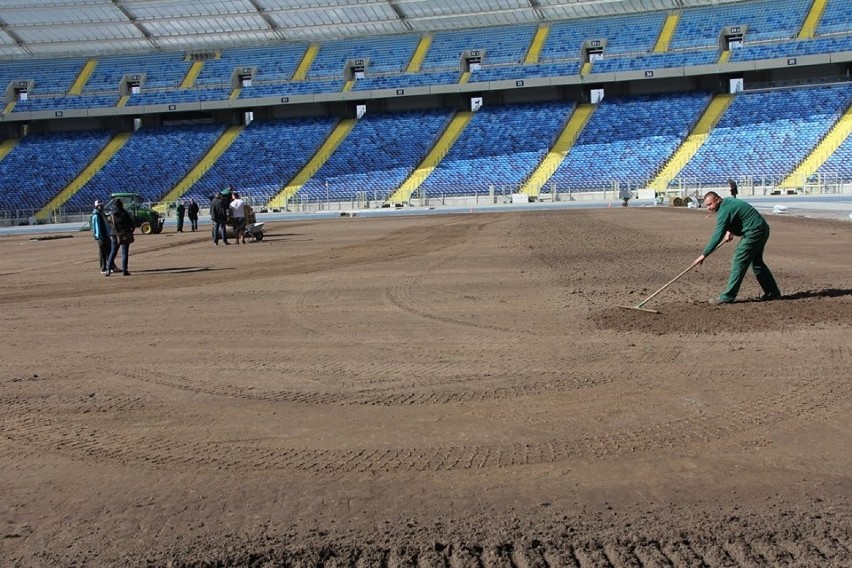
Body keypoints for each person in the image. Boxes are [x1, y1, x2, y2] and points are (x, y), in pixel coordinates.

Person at [692, 191, 781, 305]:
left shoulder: (724, 210)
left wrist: (704, 254)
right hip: (762, 229)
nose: (709, 208)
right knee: (757, 263)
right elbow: (736, 215)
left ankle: (728, 296)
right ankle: (772, 292)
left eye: (710, 204)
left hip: (754, 232)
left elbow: (718, 234)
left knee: (739, 259)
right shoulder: (728, 203)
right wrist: (730, 231)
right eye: (706, 206)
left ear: (718, 199)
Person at [106, 198, 134, 276]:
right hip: (124, 234)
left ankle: (108, 269)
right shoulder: (124, 212)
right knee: (124, 253)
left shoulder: (111, 213)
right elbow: (131, 223)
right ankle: (124, 270)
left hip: (114, 234)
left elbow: (109, 223)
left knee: (113, 252)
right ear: (121, 204)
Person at [90, 199, 116, 274]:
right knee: (103, 253)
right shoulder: (96, 216)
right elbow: (97, 228)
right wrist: (100, 237)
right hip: (102, 237)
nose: (102, 206)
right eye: (100, 206)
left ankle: (111, 266)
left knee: (109, 251)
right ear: (97, 206)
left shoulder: (101, 214)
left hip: (105, 235)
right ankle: (103, 268)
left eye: (102, 205)